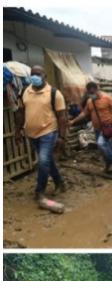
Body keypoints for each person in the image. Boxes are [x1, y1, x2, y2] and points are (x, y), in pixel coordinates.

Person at [16, 65, 68, 207]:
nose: (35, 76)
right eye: (32, 74)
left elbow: (62, 117)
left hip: (48, 132)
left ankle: (40, 191)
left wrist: (61, 137)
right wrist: (17, 130)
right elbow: (20, 112)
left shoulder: (54, 93)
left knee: (43, 161)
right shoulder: (25, 91)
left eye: (38, 74)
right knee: (48, 161)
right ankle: (60, 183)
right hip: (31, 134)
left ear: (44, 76)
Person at [69, 81, 112, 174]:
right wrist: (73, 121)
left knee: (101, 144)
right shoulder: (90, 101)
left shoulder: (107, 98)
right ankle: (109, 167)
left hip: (107, 126)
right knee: (104, 147)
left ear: (97, 89)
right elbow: (84, 113)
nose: (92, 94)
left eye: (93, 92)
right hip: (97, 128)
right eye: (90, 93)